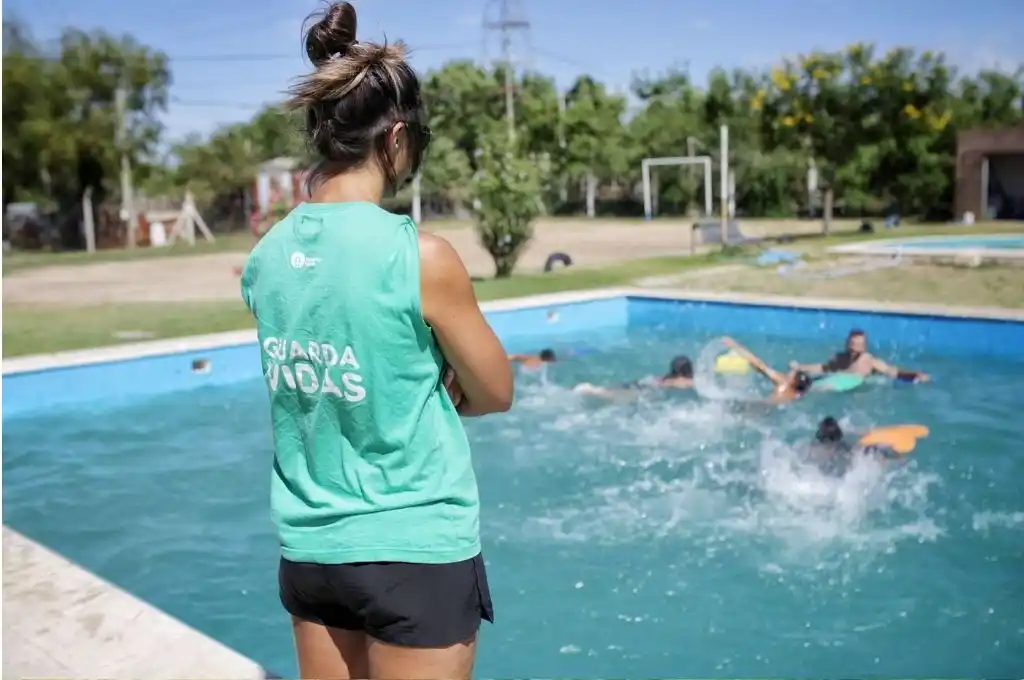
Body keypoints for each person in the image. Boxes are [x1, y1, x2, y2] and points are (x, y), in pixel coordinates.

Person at [239, 4, 512, 678]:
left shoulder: (265, 256)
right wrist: (447, 389)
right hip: (413, 549)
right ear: (395, 138)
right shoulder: (420, 256)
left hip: (311, 549)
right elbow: (496, 391)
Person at [790, 329, 930, 383]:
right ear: (847, 344)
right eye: (852, 345)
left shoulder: (869, 360)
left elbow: (892, 371)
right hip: (836, 382)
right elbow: (823, 367)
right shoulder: (841, 357)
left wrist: (915, 375)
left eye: (858, 346)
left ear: (864, 347)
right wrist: (800, 367)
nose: (854, 349)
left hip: (857, 389)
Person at [721, 337, 813, 404]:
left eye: (792, 374)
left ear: (792, 381)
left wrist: (734, 346)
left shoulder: (783, 383)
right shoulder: (799, 394)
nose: (788, 374)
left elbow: (759, 365)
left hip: (760, 407)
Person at [572, 354, 694, 398]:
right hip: (647, 388)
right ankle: (592, 390)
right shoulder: (682, 381)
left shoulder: (667, 377)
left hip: (644, 383)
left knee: (613, 391)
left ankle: (593, 389)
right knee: (611, 396)